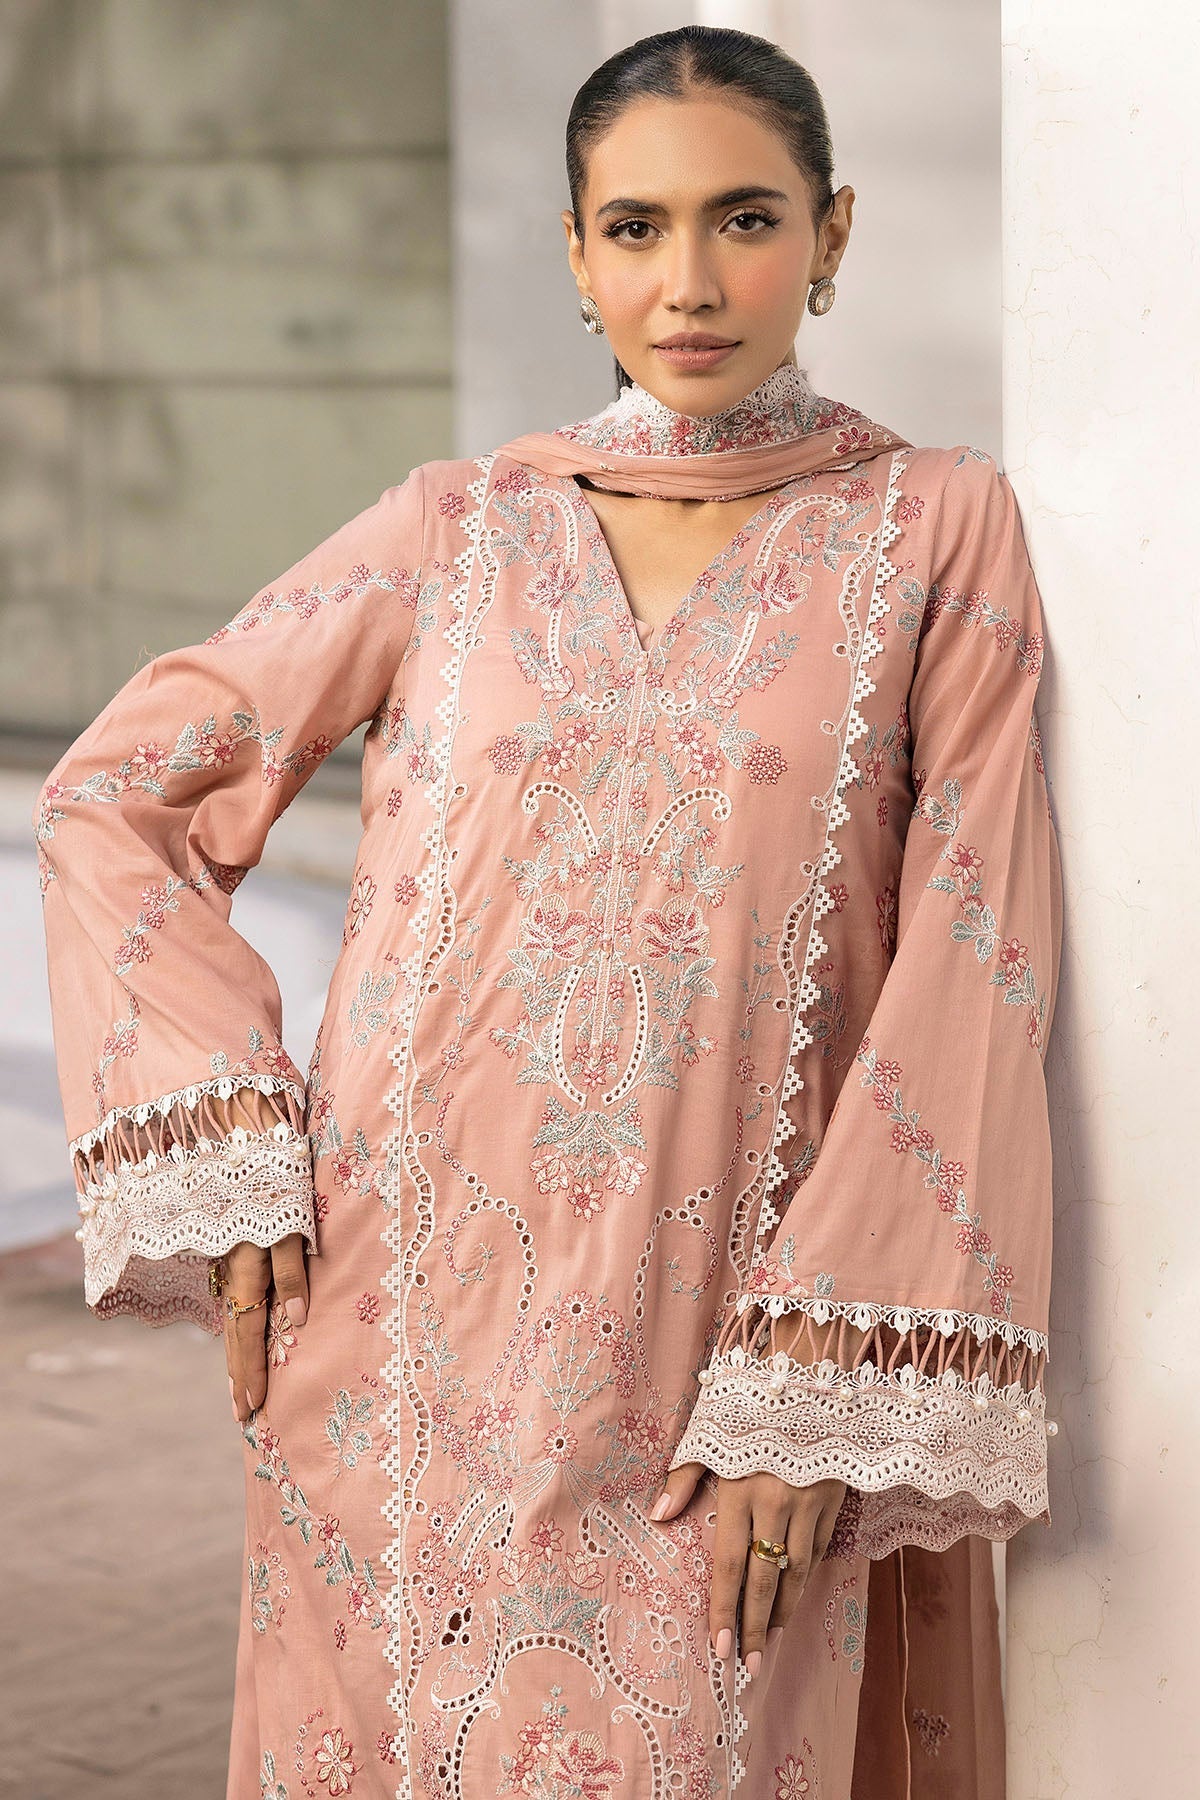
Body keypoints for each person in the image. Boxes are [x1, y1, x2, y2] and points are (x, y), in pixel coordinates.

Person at [31, 24, 1063, 1800]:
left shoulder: (935, 531)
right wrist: (227, 1134)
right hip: (399, 1343)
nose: (690, 282)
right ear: (577, 255)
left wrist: (827, 1365)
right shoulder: (457, 526)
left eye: (745, 219)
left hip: (728, 1352)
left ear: (831, 232)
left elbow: (978, 951)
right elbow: (118, 792)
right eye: (635, 228)